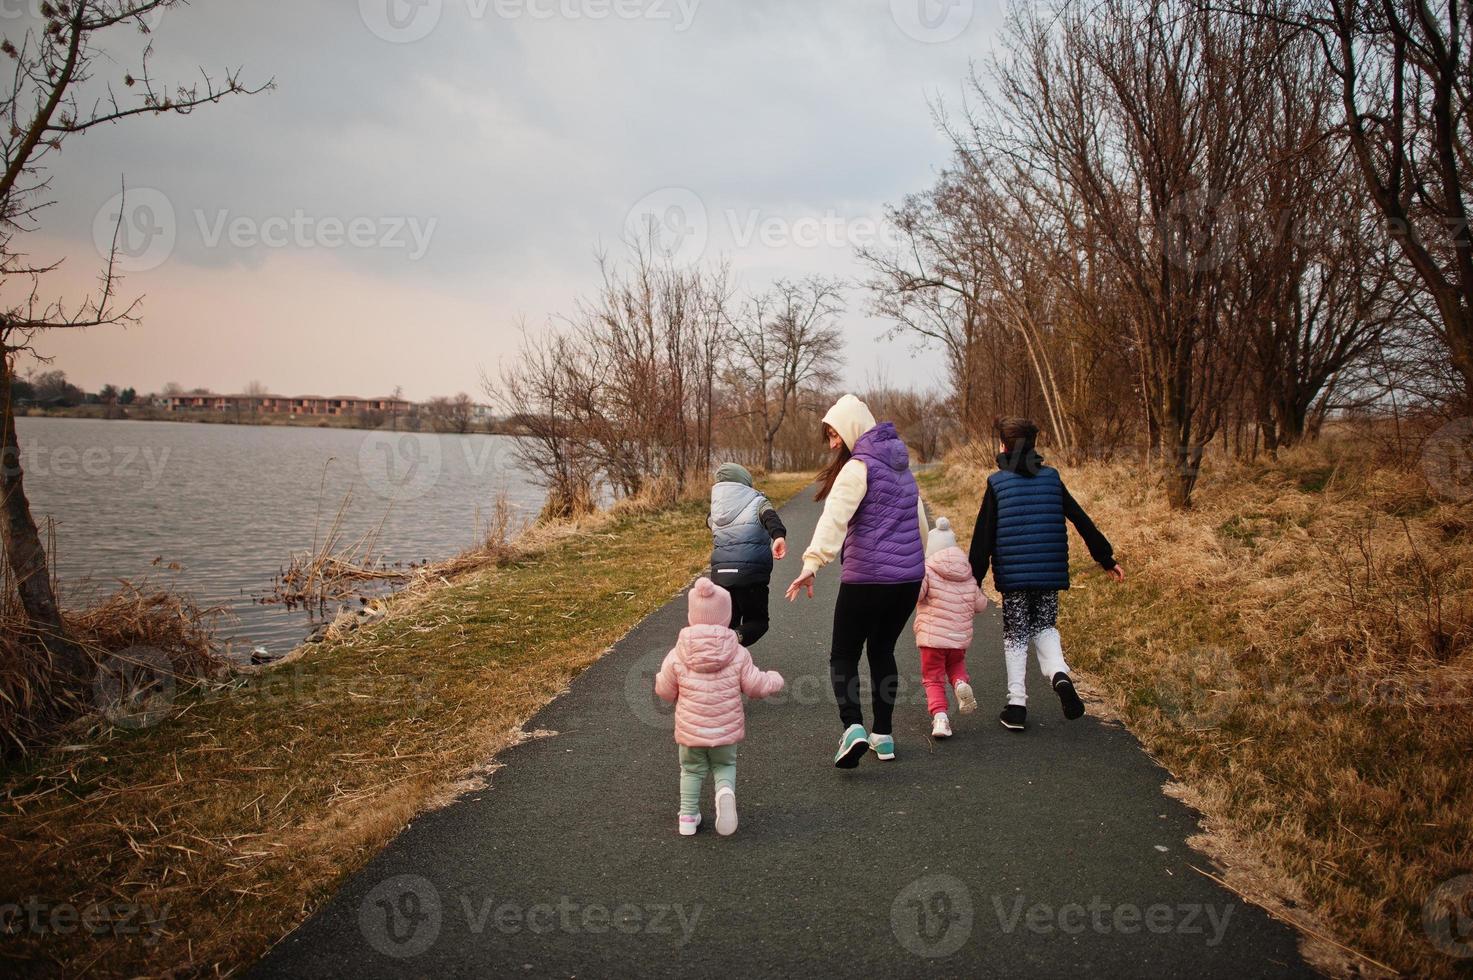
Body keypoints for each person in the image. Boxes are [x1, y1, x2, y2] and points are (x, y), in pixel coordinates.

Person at [786, 394, 928, 768]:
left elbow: (834, 517)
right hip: (906, 582)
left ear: (850, 428)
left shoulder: (859, 467)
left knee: (843, 654)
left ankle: (853, 727)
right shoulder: (901, 467)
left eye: (834, 434)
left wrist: (812, 563)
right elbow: (920, 523)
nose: (833, 443)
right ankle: (883, 736)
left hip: (868, 580)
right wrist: (924, 569)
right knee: (882, 650)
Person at [968, 417, 1124, 731]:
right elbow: (1081, 519)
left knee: (1015, 635)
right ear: (1034, 446)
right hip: (1049, 573)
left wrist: (973, 580)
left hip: (1014, 578)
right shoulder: (1052, 479)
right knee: (1044, 626)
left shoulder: (997, 483)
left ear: (1003, 446)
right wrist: (1105, 558)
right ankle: (1059, 675)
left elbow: (983, 534)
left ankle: (1016, 704)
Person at [655, 577, 785, 836]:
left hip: (691, 732)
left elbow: (665, 691)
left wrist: (666, 685)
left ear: (692, 615)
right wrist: (774, 680)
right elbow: (755, 686)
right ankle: (724, 793)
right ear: (726, 616)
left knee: (691, 770)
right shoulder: (737, 652)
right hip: (725, 729)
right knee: (724, 766)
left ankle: (688, 818)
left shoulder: (678, 652)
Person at [913, 517, 988, 739]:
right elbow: (981, 604)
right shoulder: (967, 574)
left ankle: (941, 719)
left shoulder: (926, 570)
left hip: (932, 639)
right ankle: (960, 683)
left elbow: (915, 596)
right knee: (955, 665)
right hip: (958, 639)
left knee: (933, 678)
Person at [707, 462, 787, 646]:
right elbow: (770, 518)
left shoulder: (716, 510)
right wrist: (779, 536)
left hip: (720, 577)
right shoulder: (758, 502)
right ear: (745, 481)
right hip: (749, 576)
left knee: (728, 623)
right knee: (757, 622)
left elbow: (710, 524)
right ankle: (734, 639)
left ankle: (723, 662)